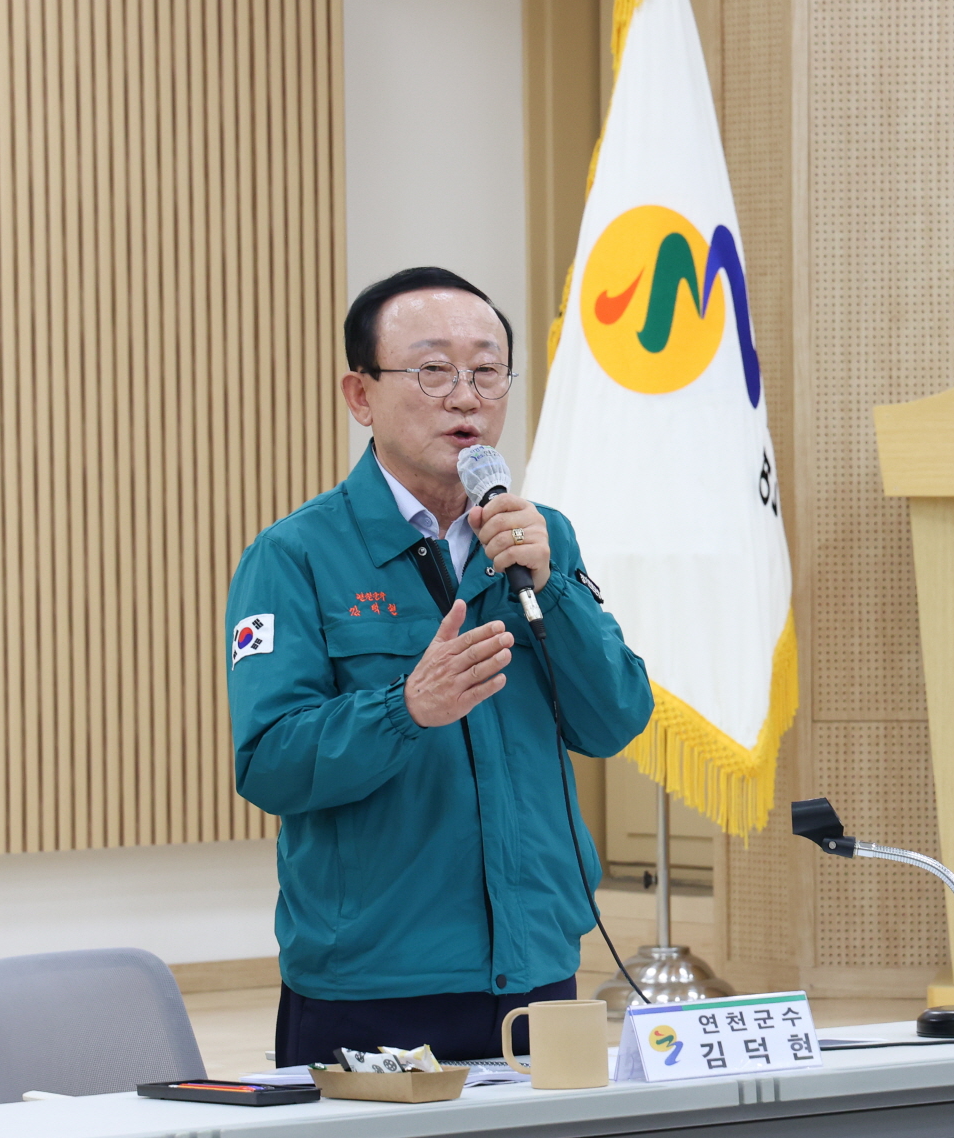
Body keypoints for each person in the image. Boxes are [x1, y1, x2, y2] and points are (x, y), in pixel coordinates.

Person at [225, 266, 653, 1065]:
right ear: (360, 396)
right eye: (433, 370)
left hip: (535, 966)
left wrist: (551, 587)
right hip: (375, 980)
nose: (466, 397)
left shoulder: (539, 536)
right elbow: (269, 763)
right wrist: (404, 709)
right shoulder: (295, 556)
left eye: (487, 371)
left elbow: (614, 719)